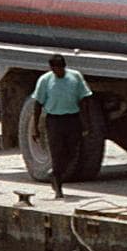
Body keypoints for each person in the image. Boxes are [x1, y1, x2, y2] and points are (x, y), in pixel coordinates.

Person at [32, 54, 94, 199]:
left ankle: (57, 172)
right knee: (57, 153)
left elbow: (84, 99)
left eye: (60, 69)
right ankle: (58, 187)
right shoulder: (45, 80)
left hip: (72, 119)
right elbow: (38, 103)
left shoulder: (75, 77)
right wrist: (35, 127)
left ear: (64, 67)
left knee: (72, 152)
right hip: (54, 121)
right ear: (51, 69)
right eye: (55, 70)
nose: (58, 72)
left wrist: (86, 123)